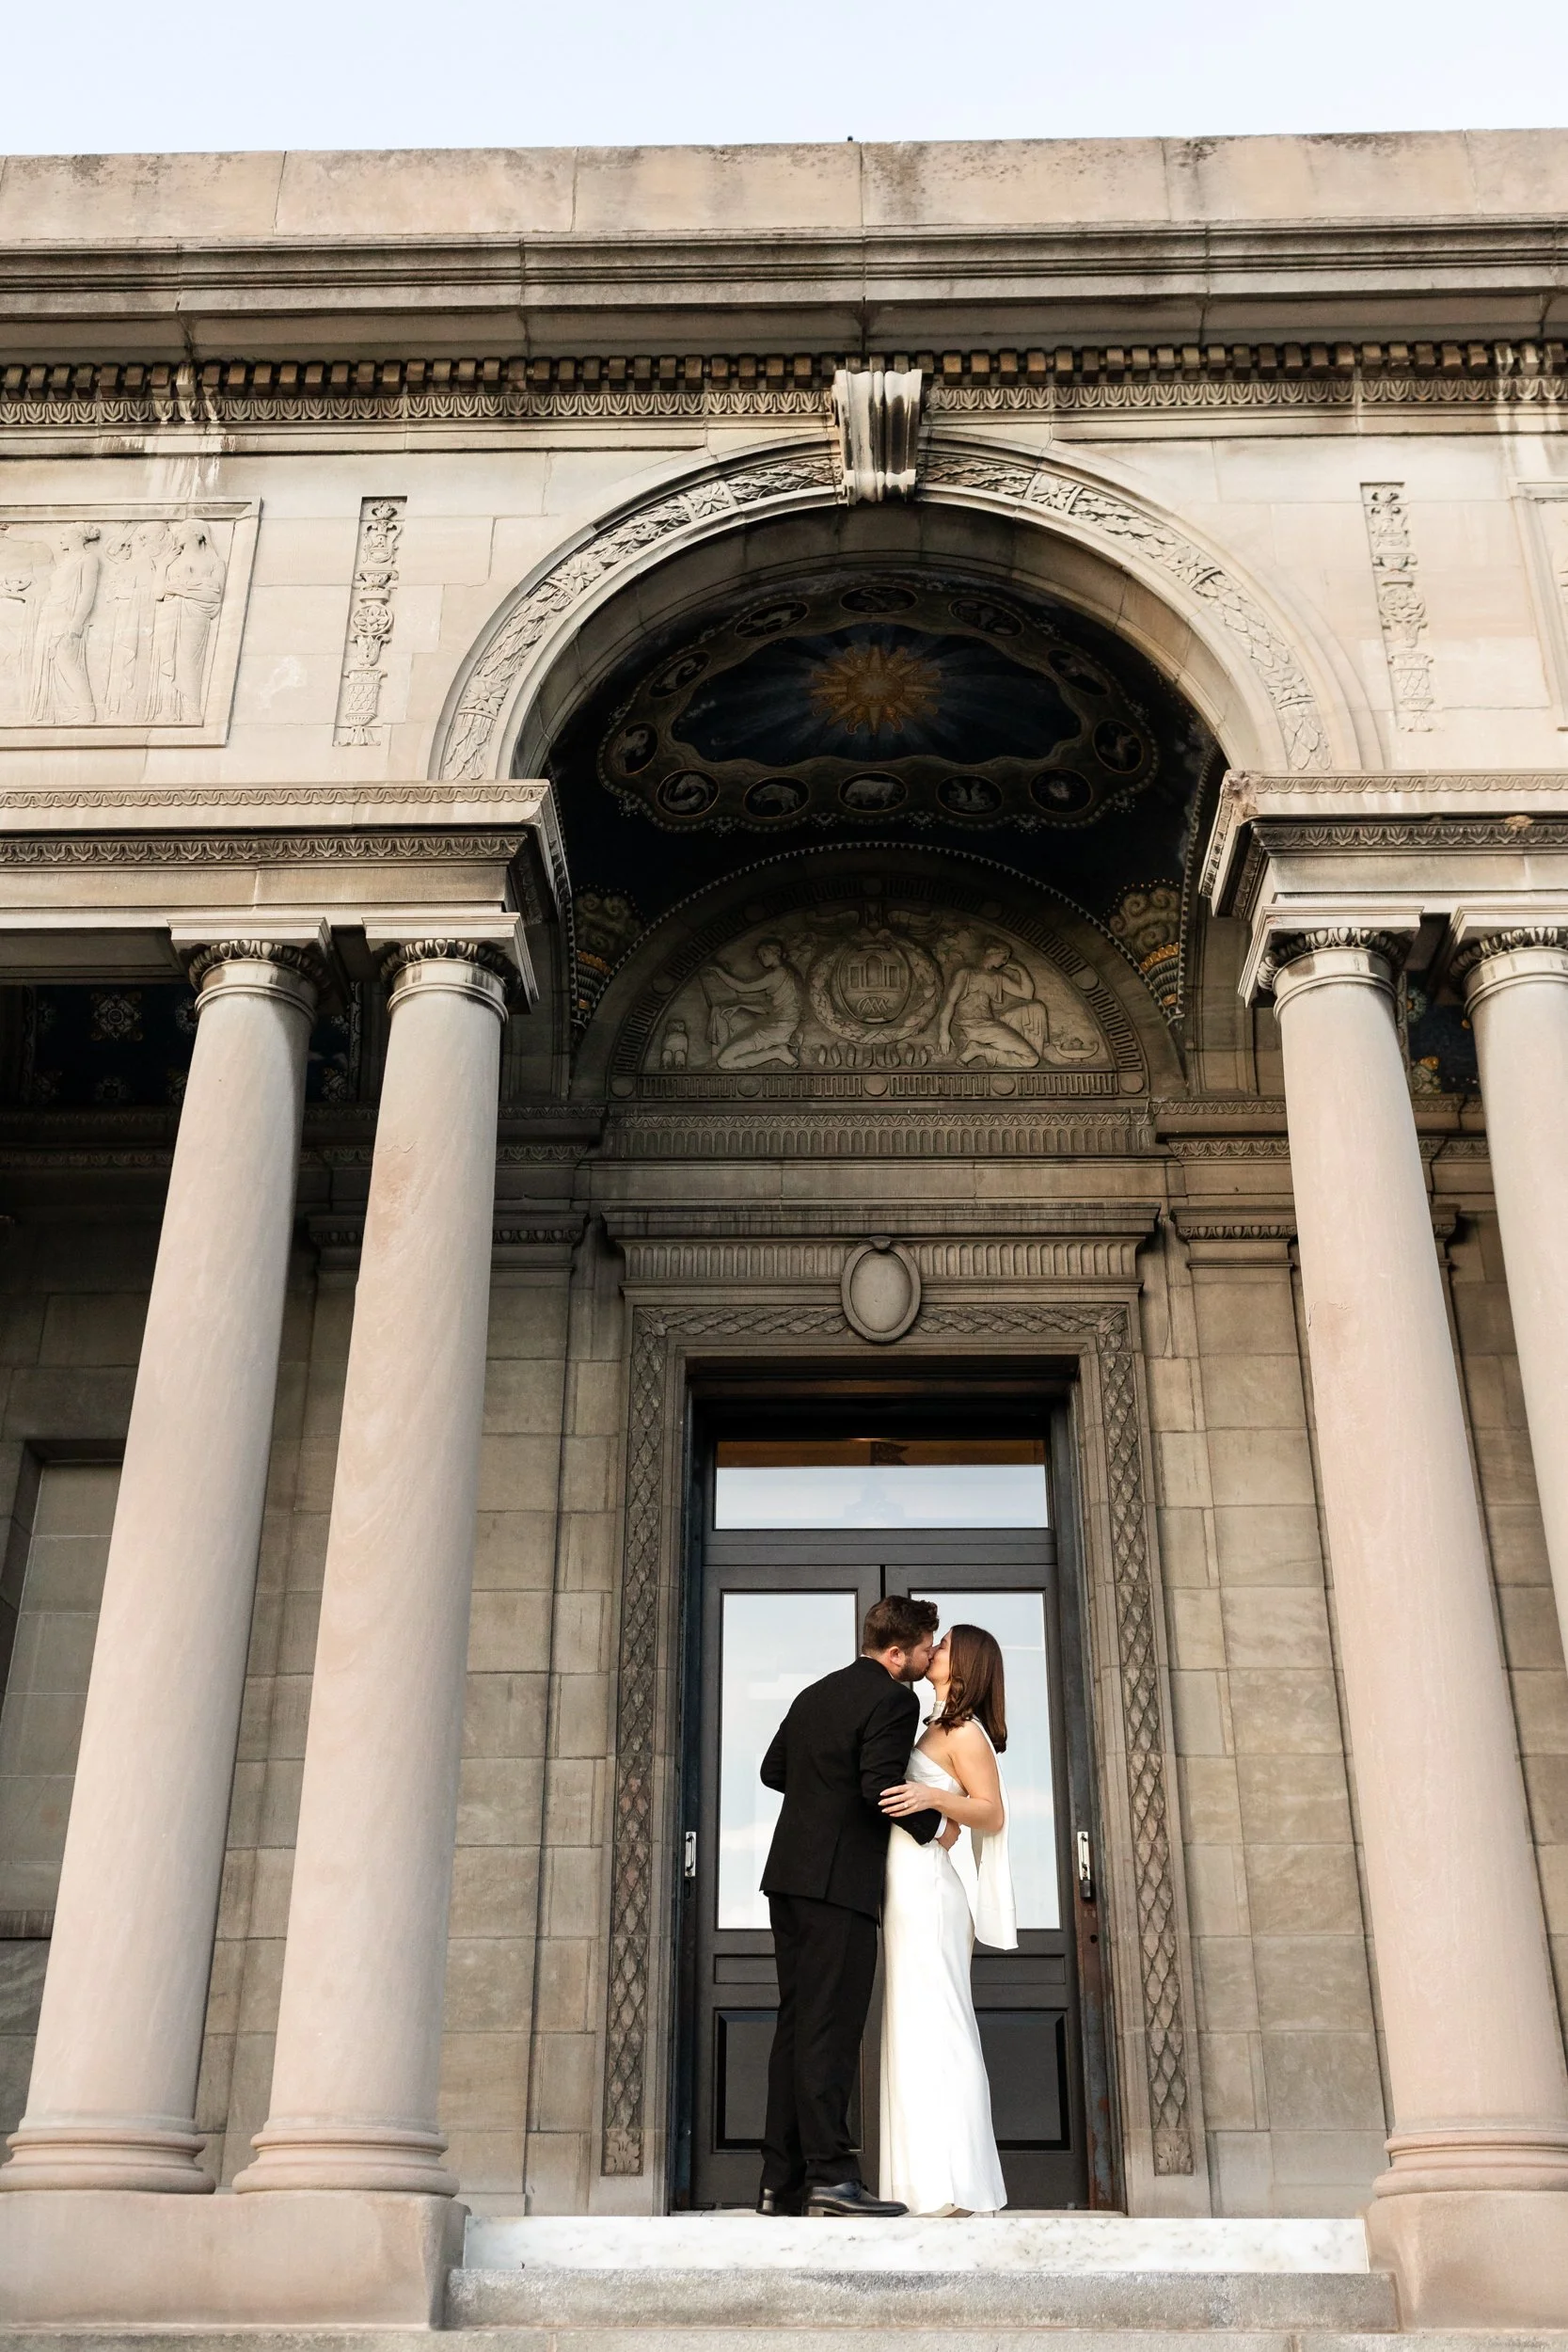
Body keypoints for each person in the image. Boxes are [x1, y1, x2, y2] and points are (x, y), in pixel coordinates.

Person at [756, 1594, 953, 2217]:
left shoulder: (815, 1692)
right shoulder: (896, 1699)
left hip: (787, 1877)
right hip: (837, 1884)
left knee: (795, 2030)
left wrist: (822, 1798)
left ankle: (780, 2186)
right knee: (829, 2034)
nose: (928, 1658)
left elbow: (772, 1770)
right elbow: (878, 1787)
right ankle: (831, 2177)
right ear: (896, 1654)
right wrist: (936, 1833)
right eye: (925, 1648)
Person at [878, 1624, 1018, 2215]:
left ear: (968, 1664)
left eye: (946, 1643)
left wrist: (934, 1799)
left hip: (931, 1894)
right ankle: (919, 2186)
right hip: (906, 1886)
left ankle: (956, 2185)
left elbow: (990, 1812)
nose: (934, 1648)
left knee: (942, 2030)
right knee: (912, 2030)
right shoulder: (934, 1725)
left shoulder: (965, 1732)